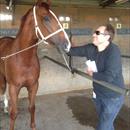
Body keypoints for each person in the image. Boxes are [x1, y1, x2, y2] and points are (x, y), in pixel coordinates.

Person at [68, 24, 124, 130]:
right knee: (106, 124)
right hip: (98, 94)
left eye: (97, 33)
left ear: (107, 37)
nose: (93, 34)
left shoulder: (113, 51)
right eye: (94, 32)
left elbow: (109, 76)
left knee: (103, 126)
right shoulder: (91, 48)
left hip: (113, 97)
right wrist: (59, 41)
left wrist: (93, 74)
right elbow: (70, 51)